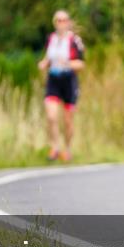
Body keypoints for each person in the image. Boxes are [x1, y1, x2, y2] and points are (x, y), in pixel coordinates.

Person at [38, 10, 85, 162]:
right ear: (54, 22)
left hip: (69, 80)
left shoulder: (74, 40)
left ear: (68, 22)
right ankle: (55, 148)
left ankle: (68, 149)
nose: (61, 23)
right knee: (51, 116)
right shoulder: (51, 39)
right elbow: (48, 58)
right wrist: (44, 63)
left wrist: (68, 63)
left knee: (68, 120)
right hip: (53, 79)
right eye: (58, 20)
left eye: (64, 20)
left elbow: (81, 63)